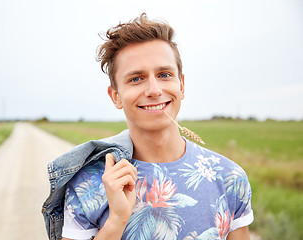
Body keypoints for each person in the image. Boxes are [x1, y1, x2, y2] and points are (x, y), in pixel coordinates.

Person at [42, 13, 253, 240]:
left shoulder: (229, 177)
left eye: (164, 74)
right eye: (136, 79)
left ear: (181, 85)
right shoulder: (88, 183)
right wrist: (117, 220)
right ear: (116, 96)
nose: (154, 90)